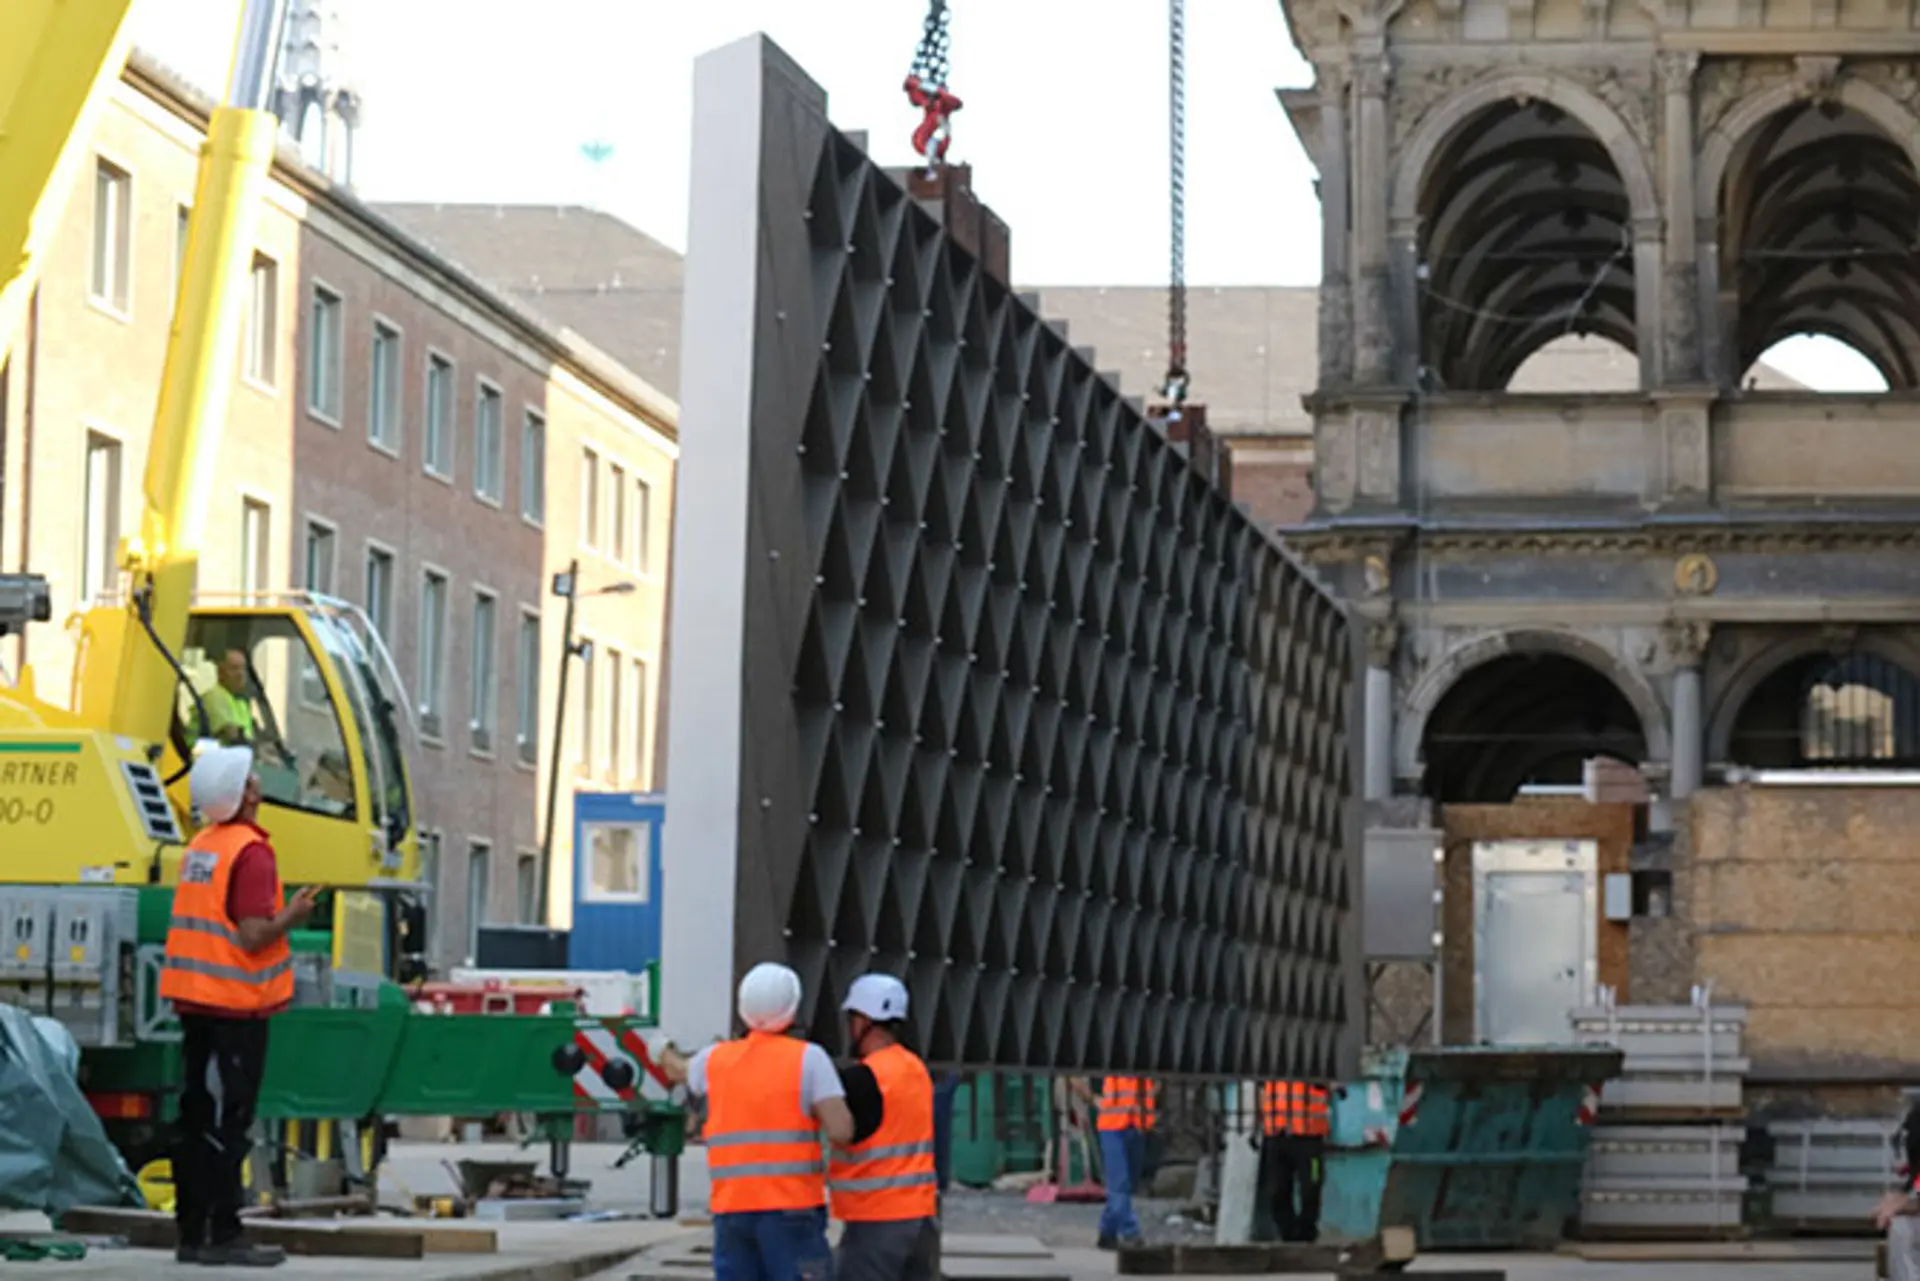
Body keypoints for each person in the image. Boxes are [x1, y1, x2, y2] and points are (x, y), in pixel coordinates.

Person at [159, 743, 321, 1268]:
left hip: (197, 1002)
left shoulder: (201, 846)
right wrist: (292, 915)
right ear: (243, 793)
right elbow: (252, 936)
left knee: (196, 1115)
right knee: (230, 1121)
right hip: (235, 1007)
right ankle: (223, 1233)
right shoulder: (251, 853)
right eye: (252, 779)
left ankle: (191, 1232)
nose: (259, 785)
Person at [684, 963, 854, 1281]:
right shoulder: (810, 1059)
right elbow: (841, 1130)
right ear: (792, 1009)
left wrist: (659, 1050)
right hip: (792, 1209)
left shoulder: (713, 1060)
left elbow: (682, 1074)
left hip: (732, 1209)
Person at [828, 975, 940, 1281]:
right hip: (921, 1221)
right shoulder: (916, 1070)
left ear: (864, 1020)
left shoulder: (863, 1079)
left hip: (875, 1222)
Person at [1072, 1074, 1156, 1250]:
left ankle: (1107, 1231)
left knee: (1126, 1185)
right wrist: (1093, 1099)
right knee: (1120, 1184)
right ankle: (1131, 1232)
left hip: (1138, 1124)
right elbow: (1074, 1075)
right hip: (1113, 1125)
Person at [1258, 1079, 1329, 1243]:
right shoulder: (1269, 1064)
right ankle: (1289, 1234)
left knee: (1311, 1186)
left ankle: (1306, 1232)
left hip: (1309, 1136)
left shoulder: (1314, 1063)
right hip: (1277, 1135)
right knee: (1275, 1190)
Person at [206, 649, 257, 746]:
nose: (240, 674)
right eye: (234, 669)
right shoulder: (215, 696)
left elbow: (248, 736)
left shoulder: (240, 703)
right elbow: (230, 734)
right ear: (220, 673)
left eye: (243, 668)